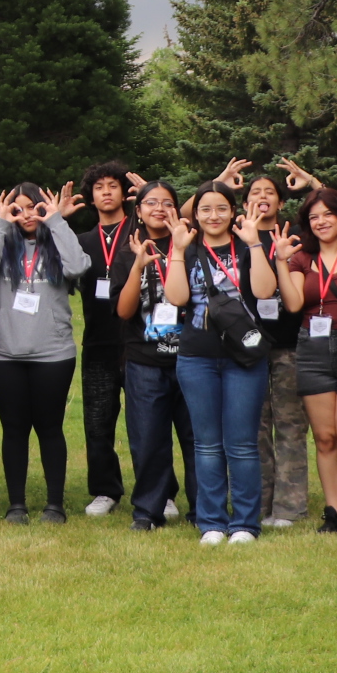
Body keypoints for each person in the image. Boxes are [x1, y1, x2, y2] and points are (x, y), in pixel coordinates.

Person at [162, 182, 279, 545]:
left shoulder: (247, 245)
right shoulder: (187, 247)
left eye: (221, 208)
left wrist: (255, 244)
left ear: (233, 212)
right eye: (206, 209)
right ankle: (211, 522)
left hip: (243, 356)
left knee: (242, 444)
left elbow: (264, 291)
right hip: (197, 357)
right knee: (207, 444)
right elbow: (176, 298)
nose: (214, 216)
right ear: (195, 214)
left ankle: (244, 523)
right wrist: (177, 251)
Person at [0, 182, 91, 525]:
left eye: (35, 207)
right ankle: (16, 505)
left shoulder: (58, 239)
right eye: (19, 208)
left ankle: (55, 505)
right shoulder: (1, 240)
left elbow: (78, 266)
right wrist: (0, 223)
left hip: (52, 352)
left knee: (50, 428)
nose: (27, 214)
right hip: (5, 352)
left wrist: (56, 221)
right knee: (14, 429)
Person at [277, 187, 337, 536]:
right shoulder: (302, 258)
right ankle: (334, 513)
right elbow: (293, 304)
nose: (321, 222)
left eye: (328, 215)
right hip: (312, 347)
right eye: (314, 217)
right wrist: (280, 261)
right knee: (325, 438)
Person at [115, 181, 196, 532]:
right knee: (148, 439)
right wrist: (137, 266)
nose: (159, 209)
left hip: (192, 359)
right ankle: (148, 511)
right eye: (151, 202)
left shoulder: (191, 246)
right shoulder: (127, 251)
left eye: (166, 203)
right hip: (144, 360)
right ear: (138, 210)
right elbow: (123, 311)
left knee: (197, 439)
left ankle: (203, 510)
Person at [69, 160, 136, 516]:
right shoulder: (80, 242)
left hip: (139, 342)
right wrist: (57, 218)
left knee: (146, 421)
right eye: (99, 187)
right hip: (98, 341)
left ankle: (160, 490)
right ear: (91, 196)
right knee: (97, 421)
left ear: (124, 193)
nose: (106, 192)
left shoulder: (139, 231)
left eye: (113, 185)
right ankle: (105, 490)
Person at [245, 174, 311, 528]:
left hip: (289, 344)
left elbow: (333, 211)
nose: (262, 196)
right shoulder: (236, 236)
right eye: (255, 192)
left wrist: (311, 181)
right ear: (245, 203)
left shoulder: (296, 235)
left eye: (269, 192)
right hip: (247, 346)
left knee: (290, 425)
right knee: (254, 429)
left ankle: (289, 507)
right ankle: (257, 502)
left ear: (281, 202)